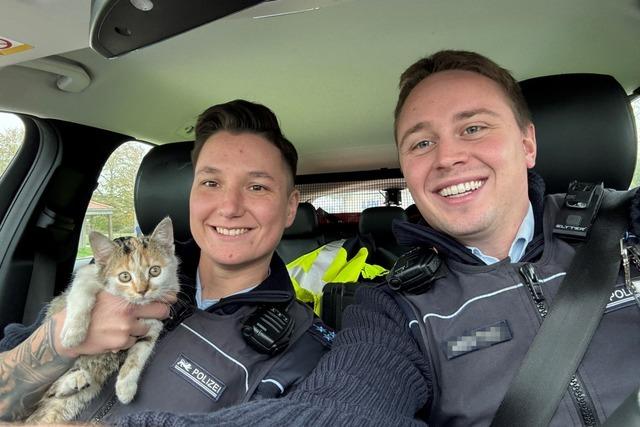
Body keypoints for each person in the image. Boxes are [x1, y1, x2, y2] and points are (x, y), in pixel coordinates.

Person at [106, 50, 640, 426]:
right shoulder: (394, 311)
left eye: (473, 127)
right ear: (407, 168)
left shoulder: (626, 226)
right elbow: (334, 414)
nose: (449, 156)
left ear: (527, 143)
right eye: (422, 141)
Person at [0, 100, 333, 422]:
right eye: (211, 183)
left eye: (257, 186)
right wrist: (58, 341)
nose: (230, 207)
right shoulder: (109, 275)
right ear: (191, 194)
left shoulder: (305, 350)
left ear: (290, 207)